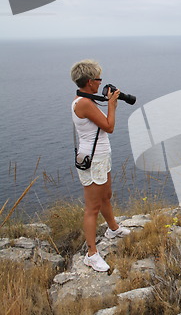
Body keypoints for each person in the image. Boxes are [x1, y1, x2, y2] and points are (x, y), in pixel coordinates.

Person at [70, 59, 130, 272]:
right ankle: (91, 254)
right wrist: (112, 105)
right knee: (92, 208)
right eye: (98, 79)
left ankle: (113, 229)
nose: (100, 83)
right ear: (89, 82)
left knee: (106, 196)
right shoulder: (84, 103)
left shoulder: (86, 99)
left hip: (100, 156)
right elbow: (109, 126)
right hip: (93, 159)